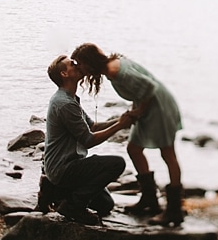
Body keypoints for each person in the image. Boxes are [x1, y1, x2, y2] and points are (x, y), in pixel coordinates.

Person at [71, 42, 187, 227]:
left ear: (90, 61)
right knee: (134, 149)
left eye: (80, 64)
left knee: (168, 154)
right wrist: (136, 110)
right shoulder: (111, 68)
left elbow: (150, 88)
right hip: (149, 108)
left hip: (160, 108)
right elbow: (139, 91)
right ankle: (150, 200)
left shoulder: (116, 71)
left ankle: (174, 210)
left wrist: (138, 112)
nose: (80, 69)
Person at [38, 52, 127, 226]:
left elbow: (92, 126)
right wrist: (120, 126)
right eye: (72, 64)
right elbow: (88, 139)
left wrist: (122, 119)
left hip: (66, 166)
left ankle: (55, 191)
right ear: (64, 74)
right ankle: (74, 206)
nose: (77, 65)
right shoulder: (64, 103)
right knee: (117, 163)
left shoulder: (70, 99)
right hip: (64, 168)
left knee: (105, 205)